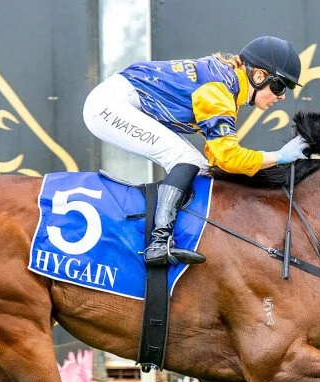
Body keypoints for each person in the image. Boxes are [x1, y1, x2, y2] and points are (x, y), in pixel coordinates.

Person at [83, 36, 308, 266]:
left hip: (121, 98)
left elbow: (217, 158)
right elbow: (230, 159)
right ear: (259, 75)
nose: (281, 96)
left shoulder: (228, 85)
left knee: (198, 166)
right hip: (110, 105)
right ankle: (158, 243)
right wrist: (279, 157)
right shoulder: (219, 90)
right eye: (280, 85)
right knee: (186, 159)